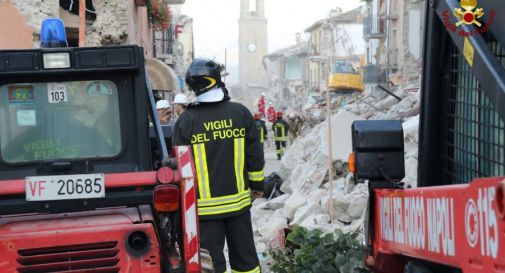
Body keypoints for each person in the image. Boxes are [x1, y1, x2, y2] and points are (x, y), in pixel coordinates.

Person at [173, 58, 264, 273]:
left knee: (211, 265)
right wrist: (258, 185)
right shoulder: (240, 113)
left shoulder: (185, 121)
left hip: (204, 210)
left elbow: (179, 167)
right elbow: (255, 154)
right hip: (239, 205)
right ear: (216, 80)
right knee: (246, 261)